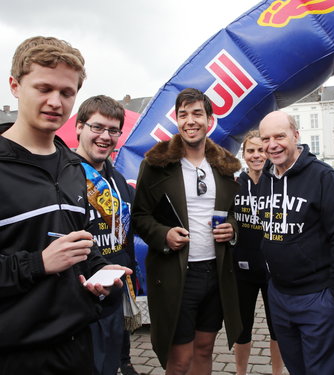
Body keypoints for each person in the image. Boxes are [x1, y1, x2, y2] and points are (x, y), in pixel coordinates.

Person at [0, 36, 130, 375]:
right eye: (43, 88)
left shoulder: (74, 168)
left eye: (67, 93)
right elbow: (44, 260)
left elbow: (83, 245)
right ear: (15, 86)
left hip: (76, 348)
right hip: (14, 355)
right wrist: (38, 263)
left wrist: (103, 277)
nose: (56, 102)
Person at [132, 88, 242, 374]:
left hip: (215, 274)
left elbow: (233, 213)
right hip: (177, 275)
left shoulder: (223, 167)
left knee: (204, 351)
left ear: (209, 121)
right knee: (179, 360)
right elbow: (140, 217)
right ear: (177, 120)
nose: (190, 121)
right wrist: (164, 235)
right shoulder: (156, 165)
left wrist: (231, 228)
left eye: (197, 114)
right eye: (183, 115)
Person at [257, 111, 334, 375]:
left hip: (317, 297)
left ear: (296, 136)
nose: (272, 144)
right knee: (296, 369)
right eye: (266, 139)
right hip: (279, 296)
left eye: (280, 136)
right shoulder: (265, 178)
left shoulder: (324, 177)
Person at [74, 95, 142, 375]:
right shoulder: (63, 175)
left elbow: (140, 222)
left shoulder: (119, 182)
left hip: (114, 293)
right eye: (97, 127)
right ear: (79, 127)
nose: (105, 137)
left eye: (113, 130)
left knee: (110, 365)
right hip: (79, 298)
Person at [233, 131, 284, 375]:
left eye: (260, 150)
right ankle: (241, 372)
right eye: (250, 151)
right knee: (242, 328)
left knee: (277, 327)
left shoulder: (277, 183)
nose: (256, 155)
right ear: (243, 155)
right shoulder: (234, 184)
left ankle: (277, 372)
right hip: (242, 268)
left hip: (273, 269)